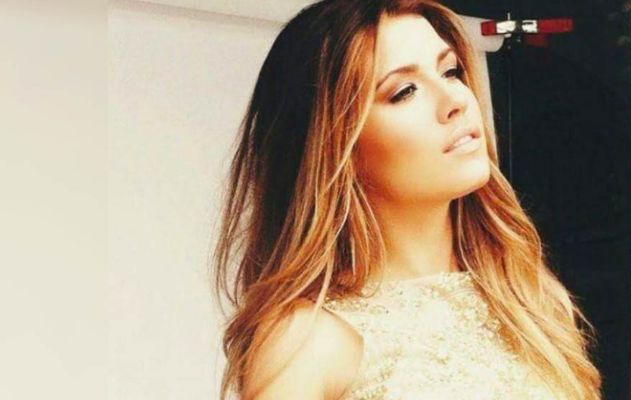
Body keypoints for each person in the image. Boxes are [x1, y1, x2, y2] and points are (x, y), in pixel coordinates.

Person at [212, 1, 602, 399]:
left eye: (450, 71)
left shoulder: (530, 299)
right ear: (334, 145)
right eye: (404, 91)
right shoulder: (306, 341)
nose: (455, 100)